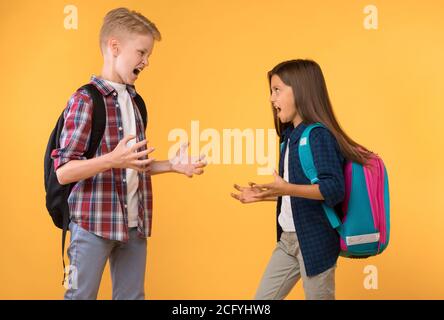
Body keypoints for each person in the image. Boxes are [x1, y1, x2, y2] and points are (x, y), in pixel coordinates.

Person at [51, 7, 206, 300]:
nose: (146, 62)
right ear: (114, 47)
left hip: (134, 224)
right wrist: (112, 159)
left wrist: (173, 165)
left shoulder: (136, 103)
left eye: (148, 55)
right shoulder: (86, 99)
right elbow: (63, 171)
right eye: (141, 52)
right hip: (92, 224)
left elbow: (134, 165)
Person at [231, 59, 372, 300]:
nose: (271, 98)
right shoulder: (289, 138)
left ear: (301, 91)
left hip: (315, 242)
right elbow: (298, 192)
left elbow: (333, 189)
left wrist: (286, 188)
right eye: (270, 91)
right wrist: (267, 194)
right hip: (287, 240)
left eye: (277, 90)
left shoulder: (319, 136)